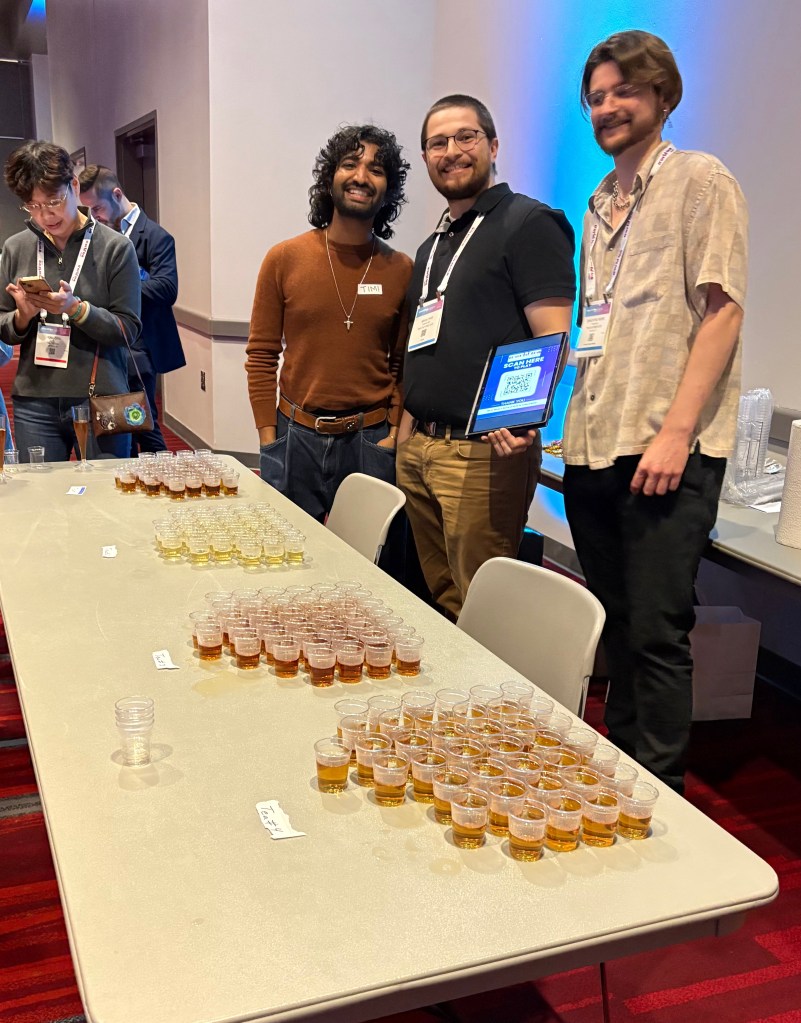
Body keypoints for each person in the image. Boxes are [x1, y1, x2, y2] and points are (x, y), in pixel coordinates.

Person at [562, 31, 748, 793]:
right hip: (592, 442)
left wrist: (675, 433)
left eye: (622, 92)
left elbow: (722, 311)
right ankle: (622, 774)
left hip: (663, 445)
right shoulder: (599, 200)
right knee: (618, 621)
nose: (607, 107)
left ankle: (659, 797)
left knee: (657, 631)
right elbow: (594, 325)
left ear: (661, 96)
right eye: (596, 97)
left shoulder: (700, 180)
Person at [396, 95, 576, 619]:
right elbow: (425, 347)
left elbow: (552, 341)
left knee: (482, 604)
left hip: (483, 453)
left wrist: (518, 421)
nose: (451, 151)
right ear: (426, 157)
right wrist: (407, 438)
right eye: (437, 142)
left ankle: (492, 701)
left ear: (493, 146)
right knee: (443, 599)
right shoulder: (435, 244)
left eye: (465, 137)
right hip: (422, 448)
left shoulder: (528, 223)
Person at [245, 124, 413, 523]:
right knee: (288, 560)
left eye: (376, 169)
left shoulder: (402, 269)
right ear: (329, 178)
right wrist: (269, 438)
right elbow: (262, 355)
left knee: (368, 568)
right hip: (293, 437)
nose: (360, 176)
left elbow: (403, 364)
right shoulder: (284, 258)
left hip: (369, 441)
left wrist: (391, 435)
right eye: (350, 164)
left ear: (388, 189)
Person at [0, 141, 141, 460]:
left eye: (53, 201)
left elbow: (128, 330)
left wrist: (77, 310)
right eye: (32, 206)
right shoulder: (16, 248)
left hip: (101, 397)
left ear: (74, 186)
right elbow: (3, 325)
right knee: (42, 502)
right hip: (34, 402)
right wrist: (22, 318)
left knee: (107, 500)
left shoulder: (115, 248)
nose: (45, 215)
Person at [79, 165, 184, 454]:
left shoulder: (155, 236)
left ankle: (164, 481)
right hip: (105, 345)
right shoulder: (95, 235)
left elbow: (166, 289)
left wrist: (121, 286)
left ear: (117, 194)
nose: (94, 216)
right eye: (89, 210)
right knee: (115, 424)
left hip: (139, 349)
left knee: (142, 424)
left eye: (97, 207)